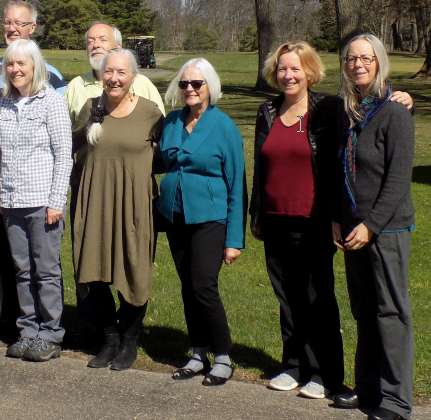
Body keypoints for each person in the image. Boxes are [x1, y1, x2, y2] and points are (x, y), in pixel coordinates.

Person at [249, 41, 345, 398]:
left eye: (295, 68)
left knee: (317, 297)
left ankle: (324, 374)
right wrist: (257, 214)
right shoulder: (268, 110)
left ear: (310, 72)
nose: (288, 75)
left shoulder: (328, 109)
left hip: (314, 220)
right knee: (287, 297)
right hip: (275, 219)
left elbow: (338, 164)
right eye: (282, 69)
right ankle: (293, 365)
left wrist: (402, 100)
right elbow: (260, 166)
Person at [332, 34, 415, 420]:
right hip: (353, 227)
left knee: (391, 312)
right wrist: (338, 217)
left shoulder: (394, 112)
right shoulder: (349, 112)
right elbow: (341, 172)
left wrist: (372, 225)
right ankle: (367, 388)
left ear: (379, 62)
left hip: (387, 229)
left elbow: (398, 180)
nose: (358, 64)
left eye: (366, 58)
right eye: (352, 58)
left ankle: (396, 400)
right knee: (364, 311)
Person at [64, 22, 165, 338]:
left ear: (133, 77)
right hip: (95, 198)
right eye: (109, 72)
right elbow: (67, 144)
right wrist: (72, 173)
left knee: (133, 264)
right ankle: (108, 336)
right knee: (91, 264)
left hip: (133, 199)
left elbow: (166, 150)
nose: (114, 78)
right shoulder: (88, 106)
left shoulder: (150, 111)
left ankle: (130, 336)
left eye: (121, 72)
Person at [158, 58, 246, 386]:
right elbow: (159, 160)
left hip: (210, 217)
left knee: (203, 286)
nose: (190, 89)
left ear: (210, 86)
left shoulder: (223, 127)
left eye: (197, 83)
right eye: (184, 84)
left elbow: (237, 184)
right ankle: (198, 353)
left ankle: (223, 355)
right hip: (176, 215)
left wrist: (234, 240)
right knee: (187, 286)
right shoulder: (171, 122)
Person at [0, 39, 72, 362]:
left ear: (35, 66)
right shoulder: (5, 102)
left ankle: (50, 334)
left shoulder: (52, 102)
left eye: (22, 63)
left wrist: (56, 201)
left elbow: (64, 155)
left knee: (45, 270)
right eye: (10, 64)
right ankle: (28, 329)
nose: (15, 69)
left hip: (42, 201)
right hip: (11, 201)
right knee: (21, 270)